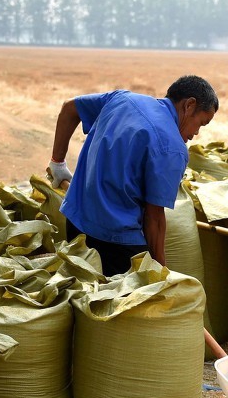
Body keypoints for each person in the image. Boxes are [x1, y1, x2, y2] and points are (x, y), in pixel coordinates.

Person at [46, 75, 218, 277]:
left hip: (77, 223)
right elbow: (154, 218)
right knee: (121, 306)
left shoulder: (122, 99)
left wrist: (57, 163)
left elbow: (69, 108)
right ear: (189, 105)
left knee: (81, 294)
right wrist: (159, 273)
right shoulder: (172, 148)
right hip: (117, 242)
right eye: (201, 123)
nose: (196, 132)